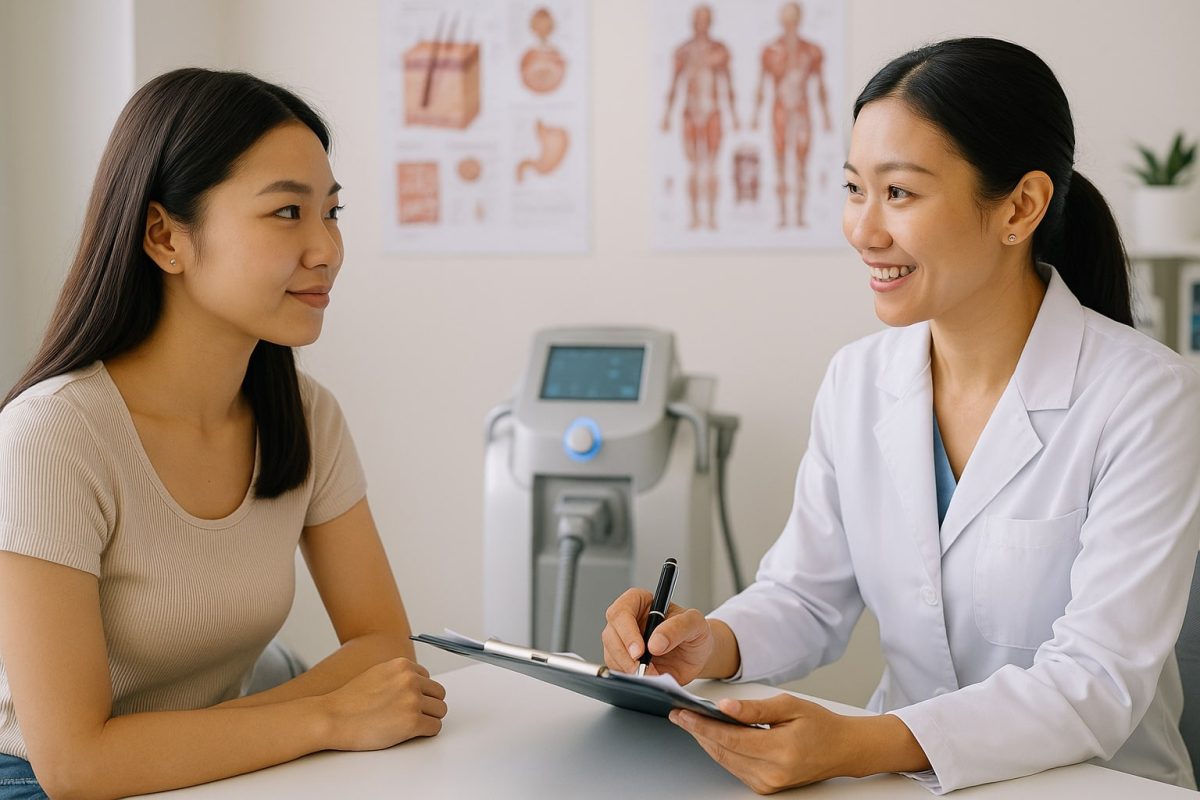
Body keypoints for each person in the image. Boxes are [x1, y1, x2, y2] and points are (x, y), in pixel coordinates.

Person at [603, 37, 1200, 794]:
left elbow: (1096, 681)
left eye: (901, 194)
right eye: (855, 189)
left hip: (1097, 783)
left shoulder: (1146, 397)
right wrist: (709, 642)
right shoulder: (859, 378)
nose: (864, 230)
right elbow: (805, 595)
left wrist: (859, 743)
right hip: (901, 779)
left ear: (1020, 206)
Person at [0, 69, 447, 799]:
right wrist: (325, 716)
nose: (326, 249)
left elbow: (383, 650)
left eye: (331, 213)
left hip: (230, 766)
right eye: (285, 214)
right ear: (165, 237)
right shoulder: (51, 437)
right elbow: (77, 764)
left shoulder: (306, 416)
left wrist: (273, 723)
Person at [752, 1, 831, 228]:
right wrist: (755, 117)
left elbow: (821, 86)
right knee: (780, 163)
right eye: (786, 20)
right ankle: (783, 216)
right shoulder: (770, 51)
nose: (790, 24)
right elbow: (761, 85)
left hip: (802, 110)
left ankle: (798, 216)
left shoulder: (812, 51)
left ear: (799, 20)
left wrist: (826, 117)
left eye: (793, 19)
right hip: (779, 110)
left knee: (801, 165)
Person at [662, 4, 740, 230]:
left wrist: (734, 115)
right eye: (698, 19)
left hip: (713, 112)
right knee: (694, 167)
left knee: (712, 166)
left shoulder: (719, 50)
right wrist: (667, 114)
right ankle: (695, 216)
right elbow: (674, 84)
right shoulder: (683, 51)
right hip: (690, 112)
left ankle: (712, 216)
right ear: (693, 21)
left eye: (705, 19)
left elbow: (728, 83)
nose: (701, 23)